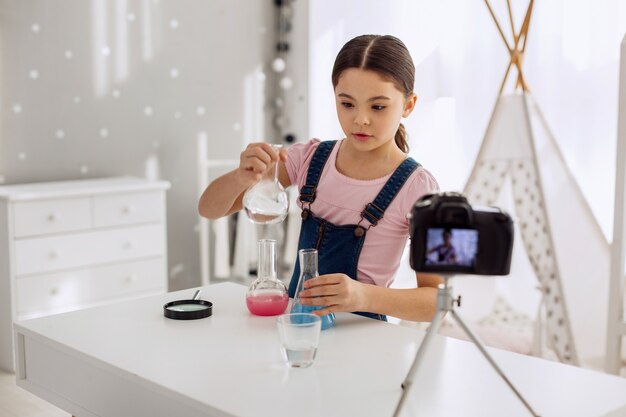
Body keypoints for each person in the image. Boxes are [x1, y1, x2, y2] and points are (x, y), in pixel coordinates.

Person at [198, 34, 441, 322]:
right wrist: (241, 176)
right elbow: (209, 208)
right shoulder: (310, 159)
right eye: (347, 104)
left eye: (377, 107)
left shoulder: (419, 189)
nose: (360, 119)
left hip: (365, 339)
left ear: (408, 105)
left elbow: (438, 300)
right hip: (298, 327)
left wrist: (363, 295)